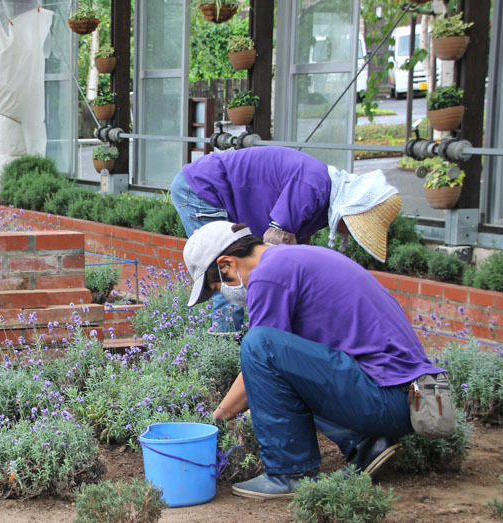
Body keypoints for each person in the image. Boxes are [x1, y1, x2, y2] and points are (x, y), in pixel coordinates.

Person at [182, 220, 445, 500]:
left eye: (217, 285)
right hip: (407, 397)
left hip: (386, 398)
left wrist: (216, 419)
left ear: (227, 264)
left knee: (258, 344)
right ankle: (368, 444)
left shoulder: (268, 275)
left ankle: (289, 472)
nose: (224, 294)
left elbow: (260, 363)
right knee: (285, 365)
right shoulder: (294, 258)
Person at [171, 146, 401, 334]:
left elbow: (294, 262)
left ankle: (247, 341)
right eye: (354, 228)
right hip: (202, 188)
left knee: (235, 269)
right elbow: (271, 258)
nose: (349, 234)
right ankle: (225, 343)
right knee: (225, 270)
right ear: (348, 212)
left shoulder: (322, 197)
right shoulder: (313, 187)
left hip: (214, 190)